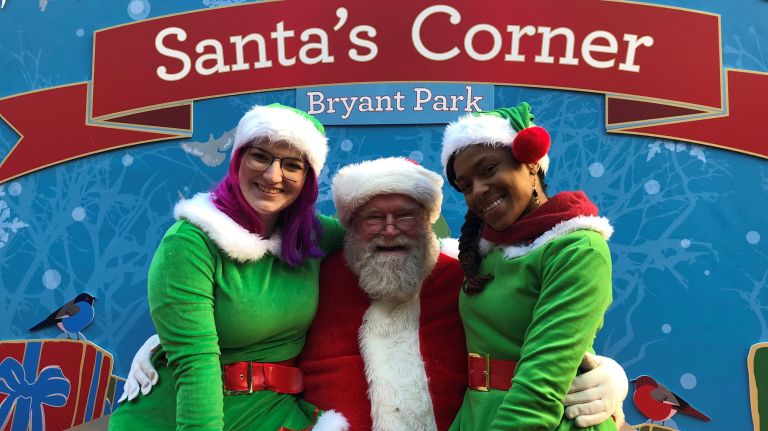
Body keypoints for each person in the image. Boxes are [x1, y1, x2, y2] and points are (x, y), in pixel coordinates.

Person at [121, 157, 628, 430]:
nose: (389, 231)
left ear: (428, 224)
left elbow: (530, 331)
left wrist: (609, 373)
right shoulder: (318, 274)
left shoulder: (467, 277)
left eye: (405, 216)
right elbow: (251, 315)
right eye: (371, 218)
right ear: (349, 228)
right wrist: (165, 341)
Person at [108, 104, 349, 431]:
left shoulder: (312, 235)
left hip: (272, 412)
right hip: (184, 415)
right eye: (260, 156)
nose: (273, 175)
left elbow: (384, 233)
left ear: (307, 179)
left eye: (292, 165)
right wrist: (173, 339)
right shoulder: (190, 242)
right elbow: (196, 365)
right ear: (238, 160)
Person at [440, 102, 617, 430]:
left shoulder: (578, 248)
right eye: (466, 185)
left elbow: (541, 389)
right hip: (476, 416)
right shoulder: (482, 253)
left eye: (489, 169)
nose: (478, 190)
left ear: (531, 161)